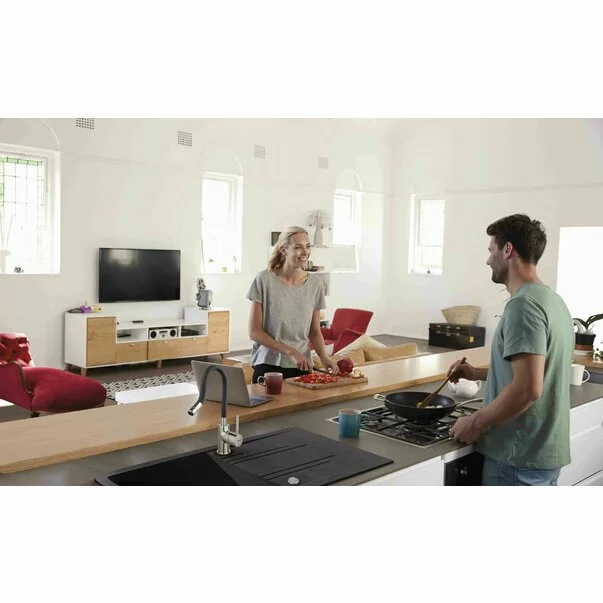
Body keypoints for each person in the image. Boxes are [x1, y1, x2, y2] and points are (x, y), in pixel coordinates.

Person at [448, 214, 574, 486]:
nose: (488, 260)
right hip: (542, 454)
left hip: (516, 457)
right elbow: (536, 372)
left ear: (507, 250)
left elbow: (528, 389)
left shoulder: (523, 305)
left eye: (491, 250)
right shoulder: (553, 300)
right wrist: (477, 374)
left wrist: (475, 423)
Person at [246, 226, 339, 384]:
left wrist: (324, 358)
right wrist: (291, 352)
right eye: (298, 247)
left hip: (301, 366)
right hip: (267, 364)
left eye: (308, 246)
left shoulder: (315, 284)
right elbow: (254, 332)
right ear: (283, 250)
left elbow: (314, 331)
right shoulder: (264, 280)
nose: (305, 252)